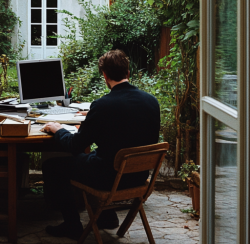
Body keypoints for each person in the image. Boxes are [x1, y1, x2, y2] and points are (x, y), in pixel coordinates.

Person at [41, 49, 161, 240]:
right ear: (128, 73)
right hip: (137, 178)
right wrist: (90, 125)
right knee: (95, 158)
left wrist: (58, 129)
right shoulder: (151, 101)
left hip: (109, 179)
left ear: (105, 76)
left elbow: (74, 146)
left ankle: (72, 225)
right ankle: (106, 216)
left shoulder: (103, 106)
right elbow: (127, 131)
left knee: (53, 167)